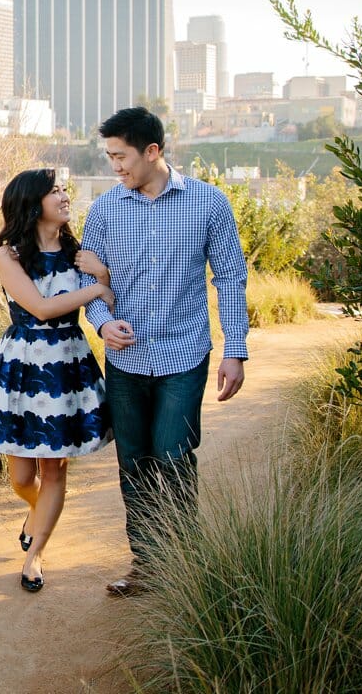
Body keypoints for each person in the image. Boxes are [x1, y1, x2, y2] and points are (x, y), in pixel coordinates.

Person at [75, 106, 249, 597]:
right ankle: (148, 563)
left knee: (173, 454)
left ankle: (184, 560)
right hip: (126, 361)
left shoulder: (209, 204)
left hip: (183, 355)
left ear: (153, 152)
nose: (115, 167)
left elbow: (231, 279)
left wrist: (235, 351)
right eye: (109, 157)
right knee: (134, 462)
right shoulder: (106, 210)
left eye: (121, 156)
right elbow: (90, 279)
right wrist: (104, 325)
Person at [0, 168, 114, 593]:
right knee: (20, 478)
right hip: (23, 365)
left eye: (64, 189)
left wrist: (100, 276)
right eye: (55, 191)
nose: (65, 196)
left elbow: (109, 296)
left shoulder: (82, 255)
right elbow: (41, 308)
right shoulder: (8, 256)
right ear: (32, 203)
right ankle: (37, 515)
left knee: (54, 470)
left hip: (67, 365)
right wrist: (95, 288)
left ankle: (35, 556)